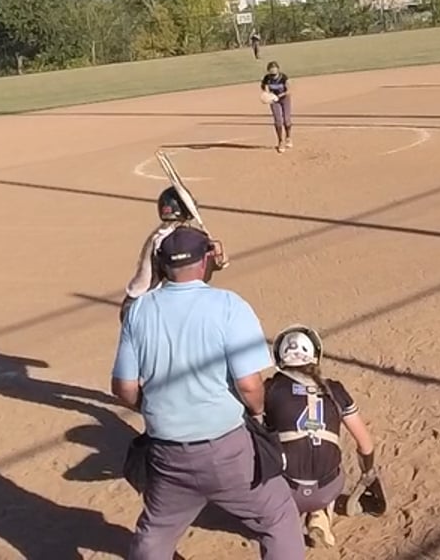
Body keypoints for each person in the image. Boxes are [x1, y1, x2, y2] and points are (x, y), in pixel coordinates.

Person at [112, 225, 304, 560]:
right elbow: (249, 385)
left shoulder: (138, 311)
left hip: (167, 452)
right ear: (205, 261)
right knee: (277, 518)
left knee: (156, 531)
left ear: (161, 264)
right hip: (227, 449)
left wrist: (157, 406)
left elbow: (124, 388)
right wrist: (258, 413)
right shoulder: (229, 306)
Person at [263, 324, 380, 548]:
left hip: (285, 490)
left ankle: (284, 520)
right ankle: (320, 514)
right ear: (315, 355)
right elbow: (365, 444)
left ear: (280, 356)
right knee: (328, 457)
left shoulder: (269, 388)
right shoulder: (335, 389)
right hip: (327, 489)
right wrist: (368, 473)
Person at [121, 184, 230, 323]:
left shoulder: (162, 234)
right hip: (144, 310)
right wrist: (215, 258)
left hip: (137, 304)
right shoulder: (174, 240)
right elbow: (189, 274)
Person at [262, 62, 293, 153]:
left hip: (284, 99)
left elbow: (289, 90)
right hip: (274, 101)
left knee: (287, 120)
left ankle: (288, 137)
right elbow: (266, 89)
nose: (273, 72)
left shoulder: (283, 77)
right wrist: (268, 96)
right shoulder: (267, 78)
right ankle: (280, 141)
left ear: (278, 69)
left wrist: (280, 95)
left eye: (274, 69)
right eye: (271, 70)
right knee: (278, 121)